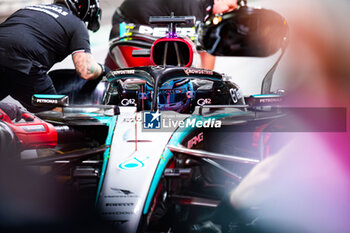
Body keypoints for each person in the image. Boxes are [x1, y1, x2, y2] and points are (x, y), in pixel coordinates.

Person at [0, 0, 109, 112]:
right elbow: (86, 70)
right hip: (24, 64)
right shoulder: (76, 23)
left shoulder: (26, 10)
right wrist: (103, 69)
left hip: (10, 58)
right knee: (58, 115)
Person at [106, 0, 239, 70]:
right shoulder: (196, 6)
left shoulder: (205, 6)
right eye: (230, 6)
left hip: (143, 18)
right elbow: (205, 48)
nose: (230, 12)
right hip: (129, 21)